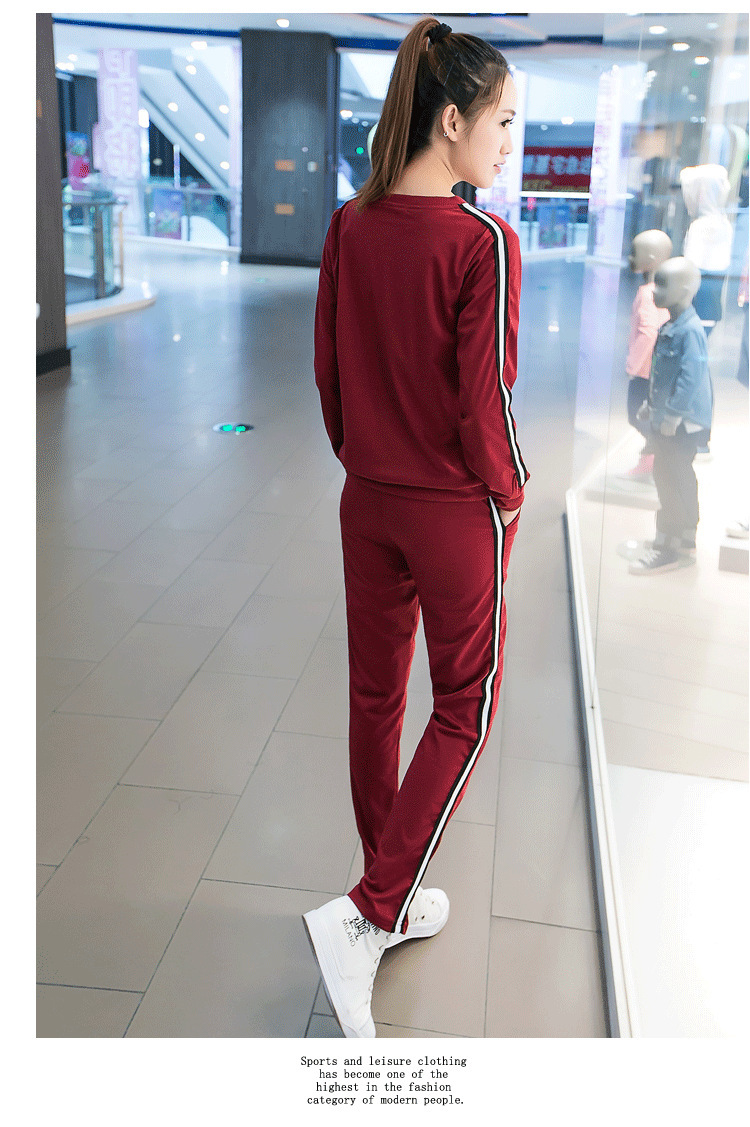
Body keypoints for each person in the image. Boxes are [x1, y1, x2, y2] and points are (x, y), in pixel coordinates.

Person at [303, 16, 528, 1037]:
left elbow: (328, 372)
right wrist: (509, 490)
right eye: (503, 121)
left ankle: (380, 894)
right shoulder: (483, 242)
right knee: (465, 706)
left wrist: (364, 456)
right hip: (449, 508)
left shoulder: (348, 226)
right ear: (451, 122)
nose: (510, 141)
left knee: (377, 693)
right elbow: (485, 402)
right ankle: (371, 910)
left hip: (369, 497)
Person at [630, 257, 713, 575]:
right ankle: (683, 537)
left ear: (686, 290)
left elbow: (691, 378)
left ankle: (669, 546)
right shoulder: (672, 326)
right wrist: (652, 406)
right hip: (672, 420)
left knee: (669, 478)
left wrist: (673, 415)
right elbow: (664, 375)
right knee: (675, 475)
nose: (654, 291)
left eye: (663, 285)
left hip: (682, 425)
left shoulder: (689, 331)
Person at [623, 230, 672, 478]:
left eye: (635, 253)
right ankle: (651, 459)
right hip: (657, 368)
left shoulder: (647, 293)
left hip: (645, 371)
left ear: (651, 260)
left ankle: (655, 456)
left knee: (636, 415)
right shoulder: (664, 289)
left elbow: (648, 332)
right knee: (646, 416)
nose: (630, 258)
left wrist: (632, 365)